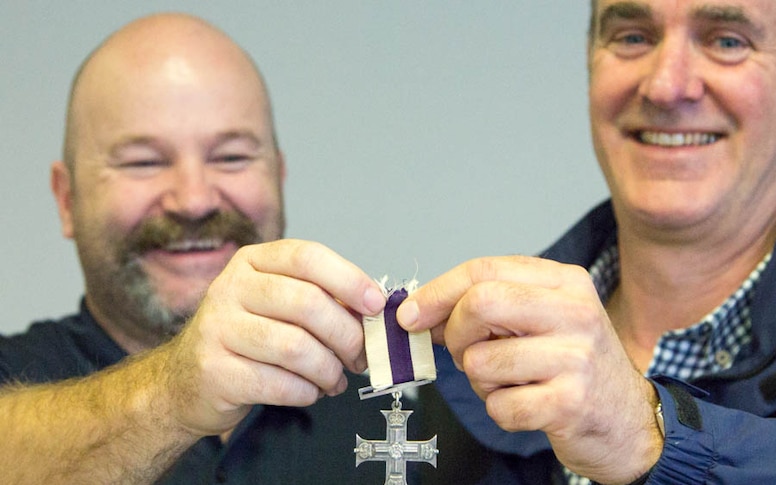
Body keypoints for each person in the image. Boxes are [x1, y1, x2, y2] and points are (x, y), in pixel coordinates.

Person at [0, 13, 488, 484]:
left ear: (278, 176)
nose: (193, 200)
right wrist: (173, 390)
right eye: (143, 162)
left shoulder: (413, 403)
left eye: (231, 156)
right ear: (67, 200)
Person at [398, 0, 776, 483]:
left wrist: (655, 438)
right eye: (633, 36)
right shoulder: (464, 371)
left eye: (727, 41)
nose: (665, 86)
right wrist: (318, 418)